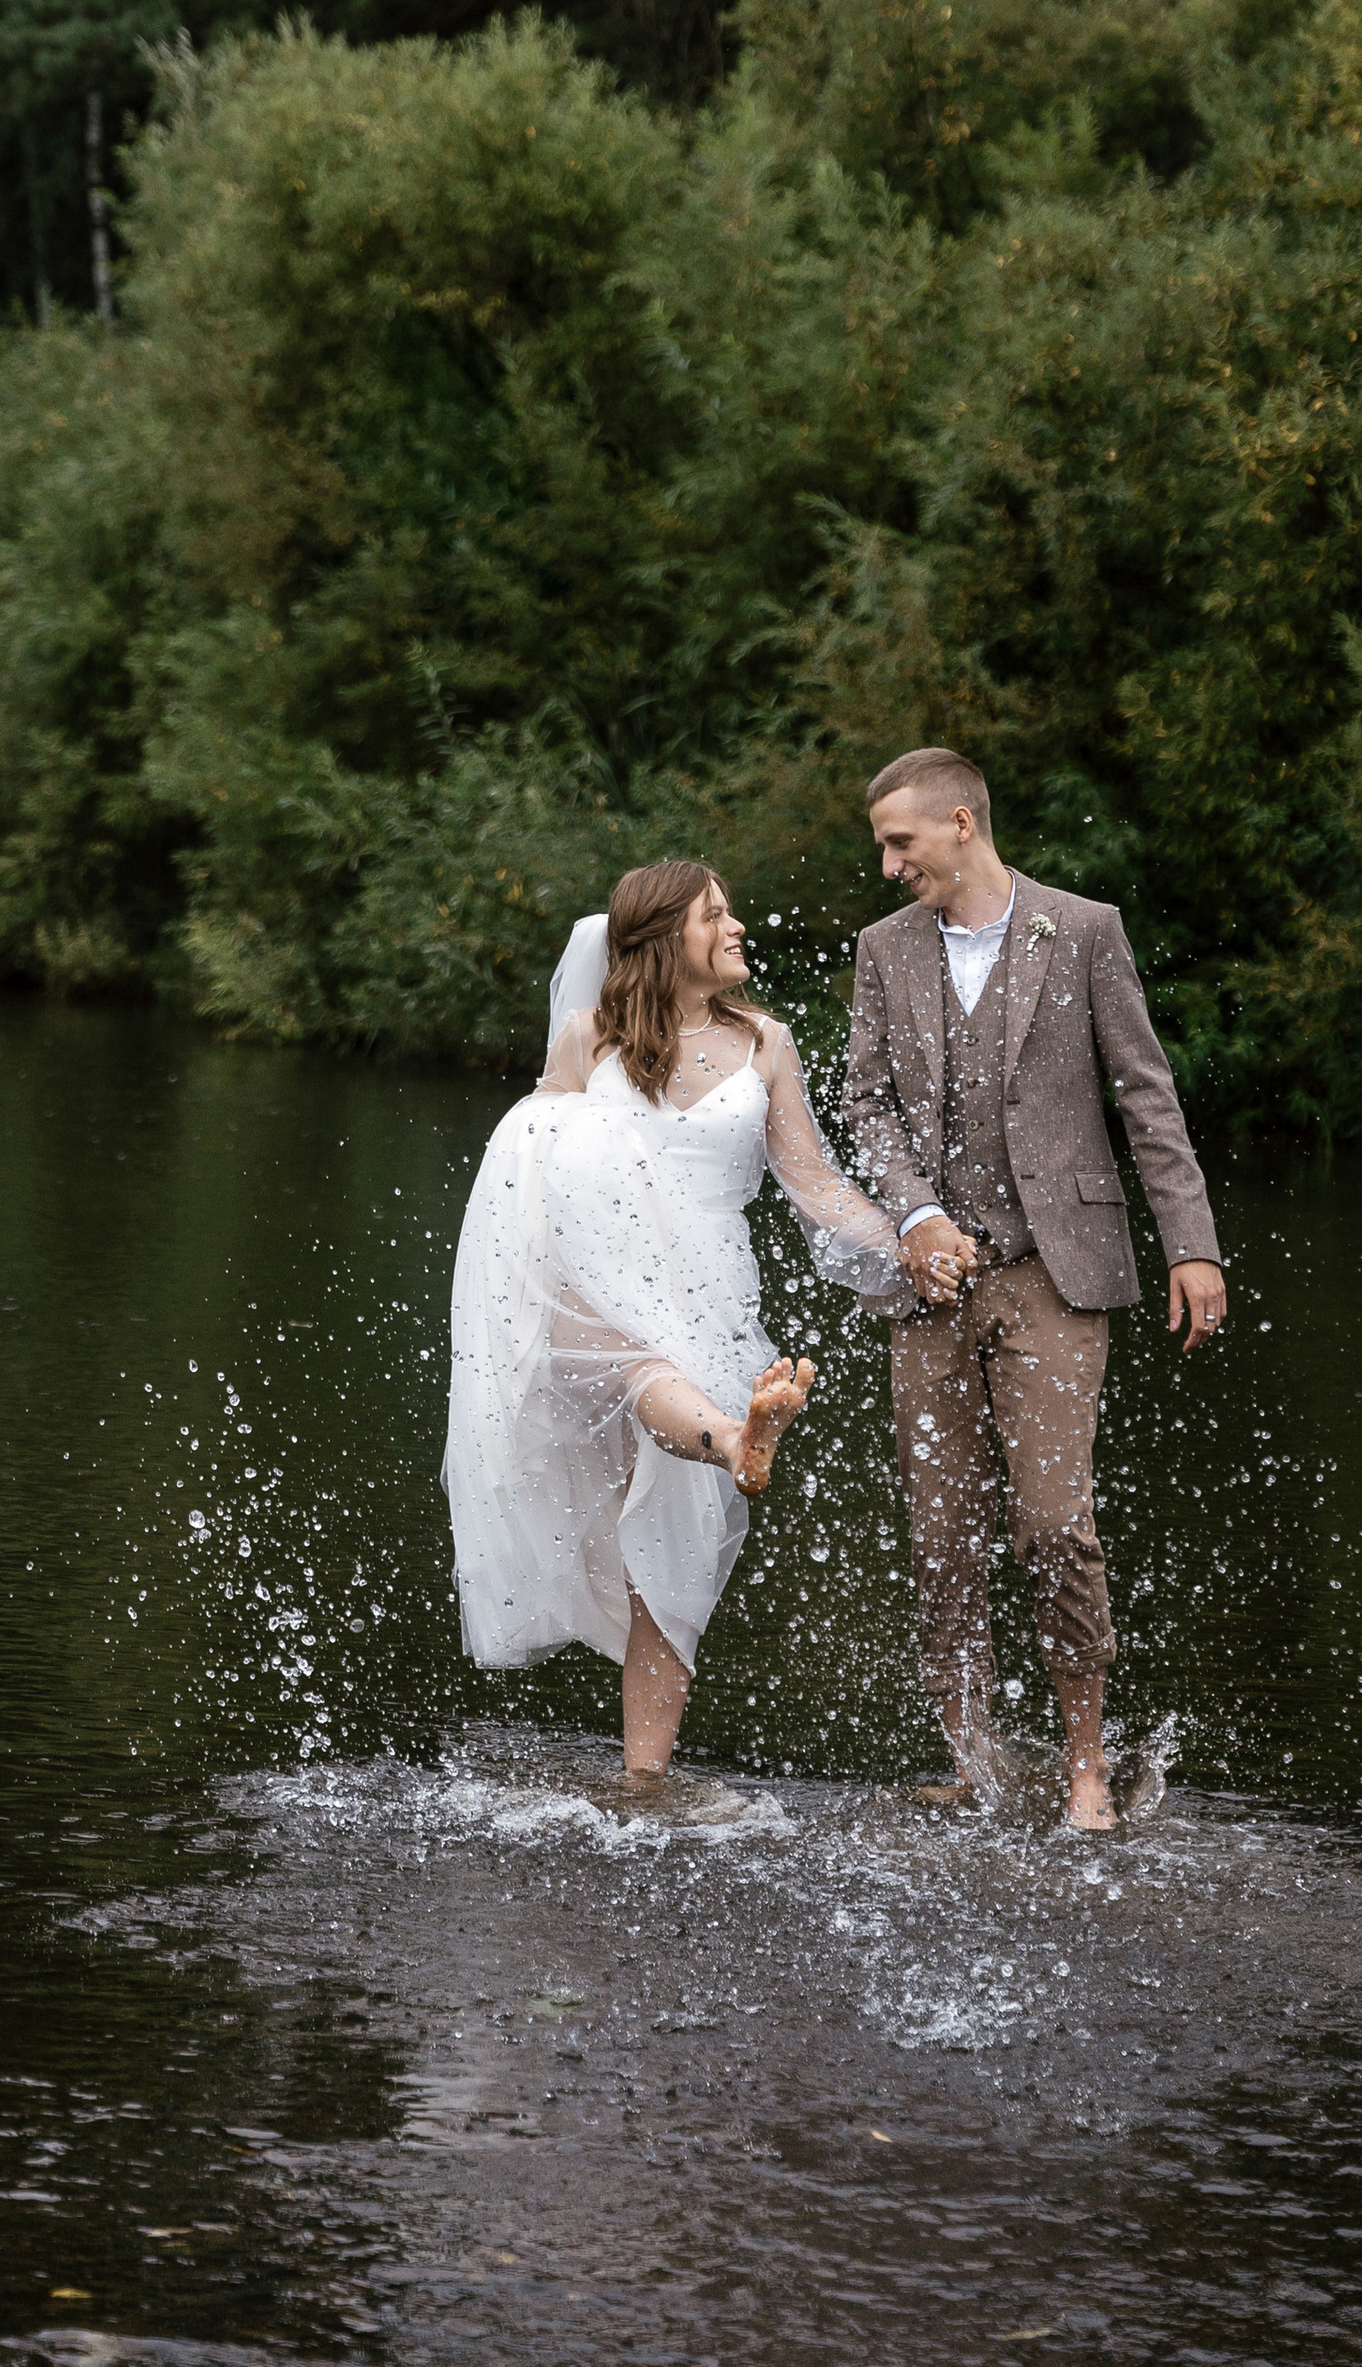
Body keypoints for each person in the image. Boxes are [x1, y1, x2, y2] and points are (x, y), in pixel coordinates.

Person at [445, 856, 903, 1780]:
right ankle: (732, 1439)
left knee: (671, 1544)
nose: (736, 928)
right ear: (662, 941)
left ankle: (642, 1778)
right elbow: (531, 1178)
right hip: (592, 1299)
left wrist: (906, 1250)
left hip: (711, 1293)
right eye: (714, 917)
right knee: (635, 1363)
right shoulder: (587, 1042)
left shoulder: (767, 1043)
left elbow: (811, 1183)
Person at [842, 746, 1227, 1832]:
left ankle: (1086, 1768)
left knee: (1055, 1525)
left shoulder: (1084, 930)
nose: (885, 865)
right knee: (940, 1535)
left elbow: (1145, 1098)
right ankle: (970, 1759)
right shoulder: (883, 951)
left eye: (899, 842)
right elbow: (865, 1101)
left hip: (1057, 1276)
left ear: (962, 824)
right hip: (928, 1292)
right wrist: (913, 1216)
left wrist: (1190, 1243)